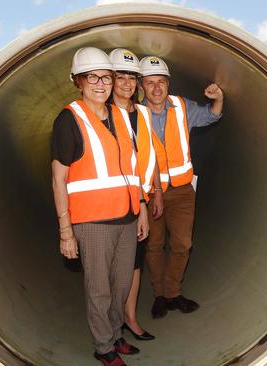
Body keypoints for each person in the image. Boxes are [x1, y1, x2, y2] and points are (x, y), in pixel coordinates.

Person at [51, 46, 148, 366]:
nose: (100, 83)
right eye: (90, 77)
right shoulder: (70, 118)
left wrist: (142, 208)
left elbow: (133, 167)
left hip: (128, 215)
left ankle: (116, 333)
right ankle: (103, 346)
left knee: (121, 283)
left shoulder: (122, 115)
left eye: (106, 76)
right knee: (99, 288)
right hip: (92, 220)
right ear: (77, 81)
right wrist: (66, 230)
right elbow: (58, 179)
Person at [138, 55, 224, 319]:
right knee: (154, 245)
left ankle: (173, 292)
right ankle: (159, 295)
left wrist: (218, 98)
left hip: (183, 191)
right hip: (151, 193)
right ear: (141, 86)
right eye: (150, 83)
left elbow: (211, 116)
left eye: (161, 82)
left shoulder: (181, 107)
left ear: (168, 84)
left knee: (182, 244)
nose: (156, 88)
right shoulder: (133, 115)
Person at [107, 48, 163, 341]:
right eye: (121, 77)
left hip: (141, 198)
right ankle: (112, 324)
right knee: (115, 265)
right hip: (116, 200)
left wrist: (156, 192)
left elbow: (149, 154)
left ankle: (130, 318)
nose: (127, 83)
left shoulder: (141, 112)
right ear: (111, 80)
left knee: (136, 262)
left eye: (132, 77)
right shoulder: (103, 114)